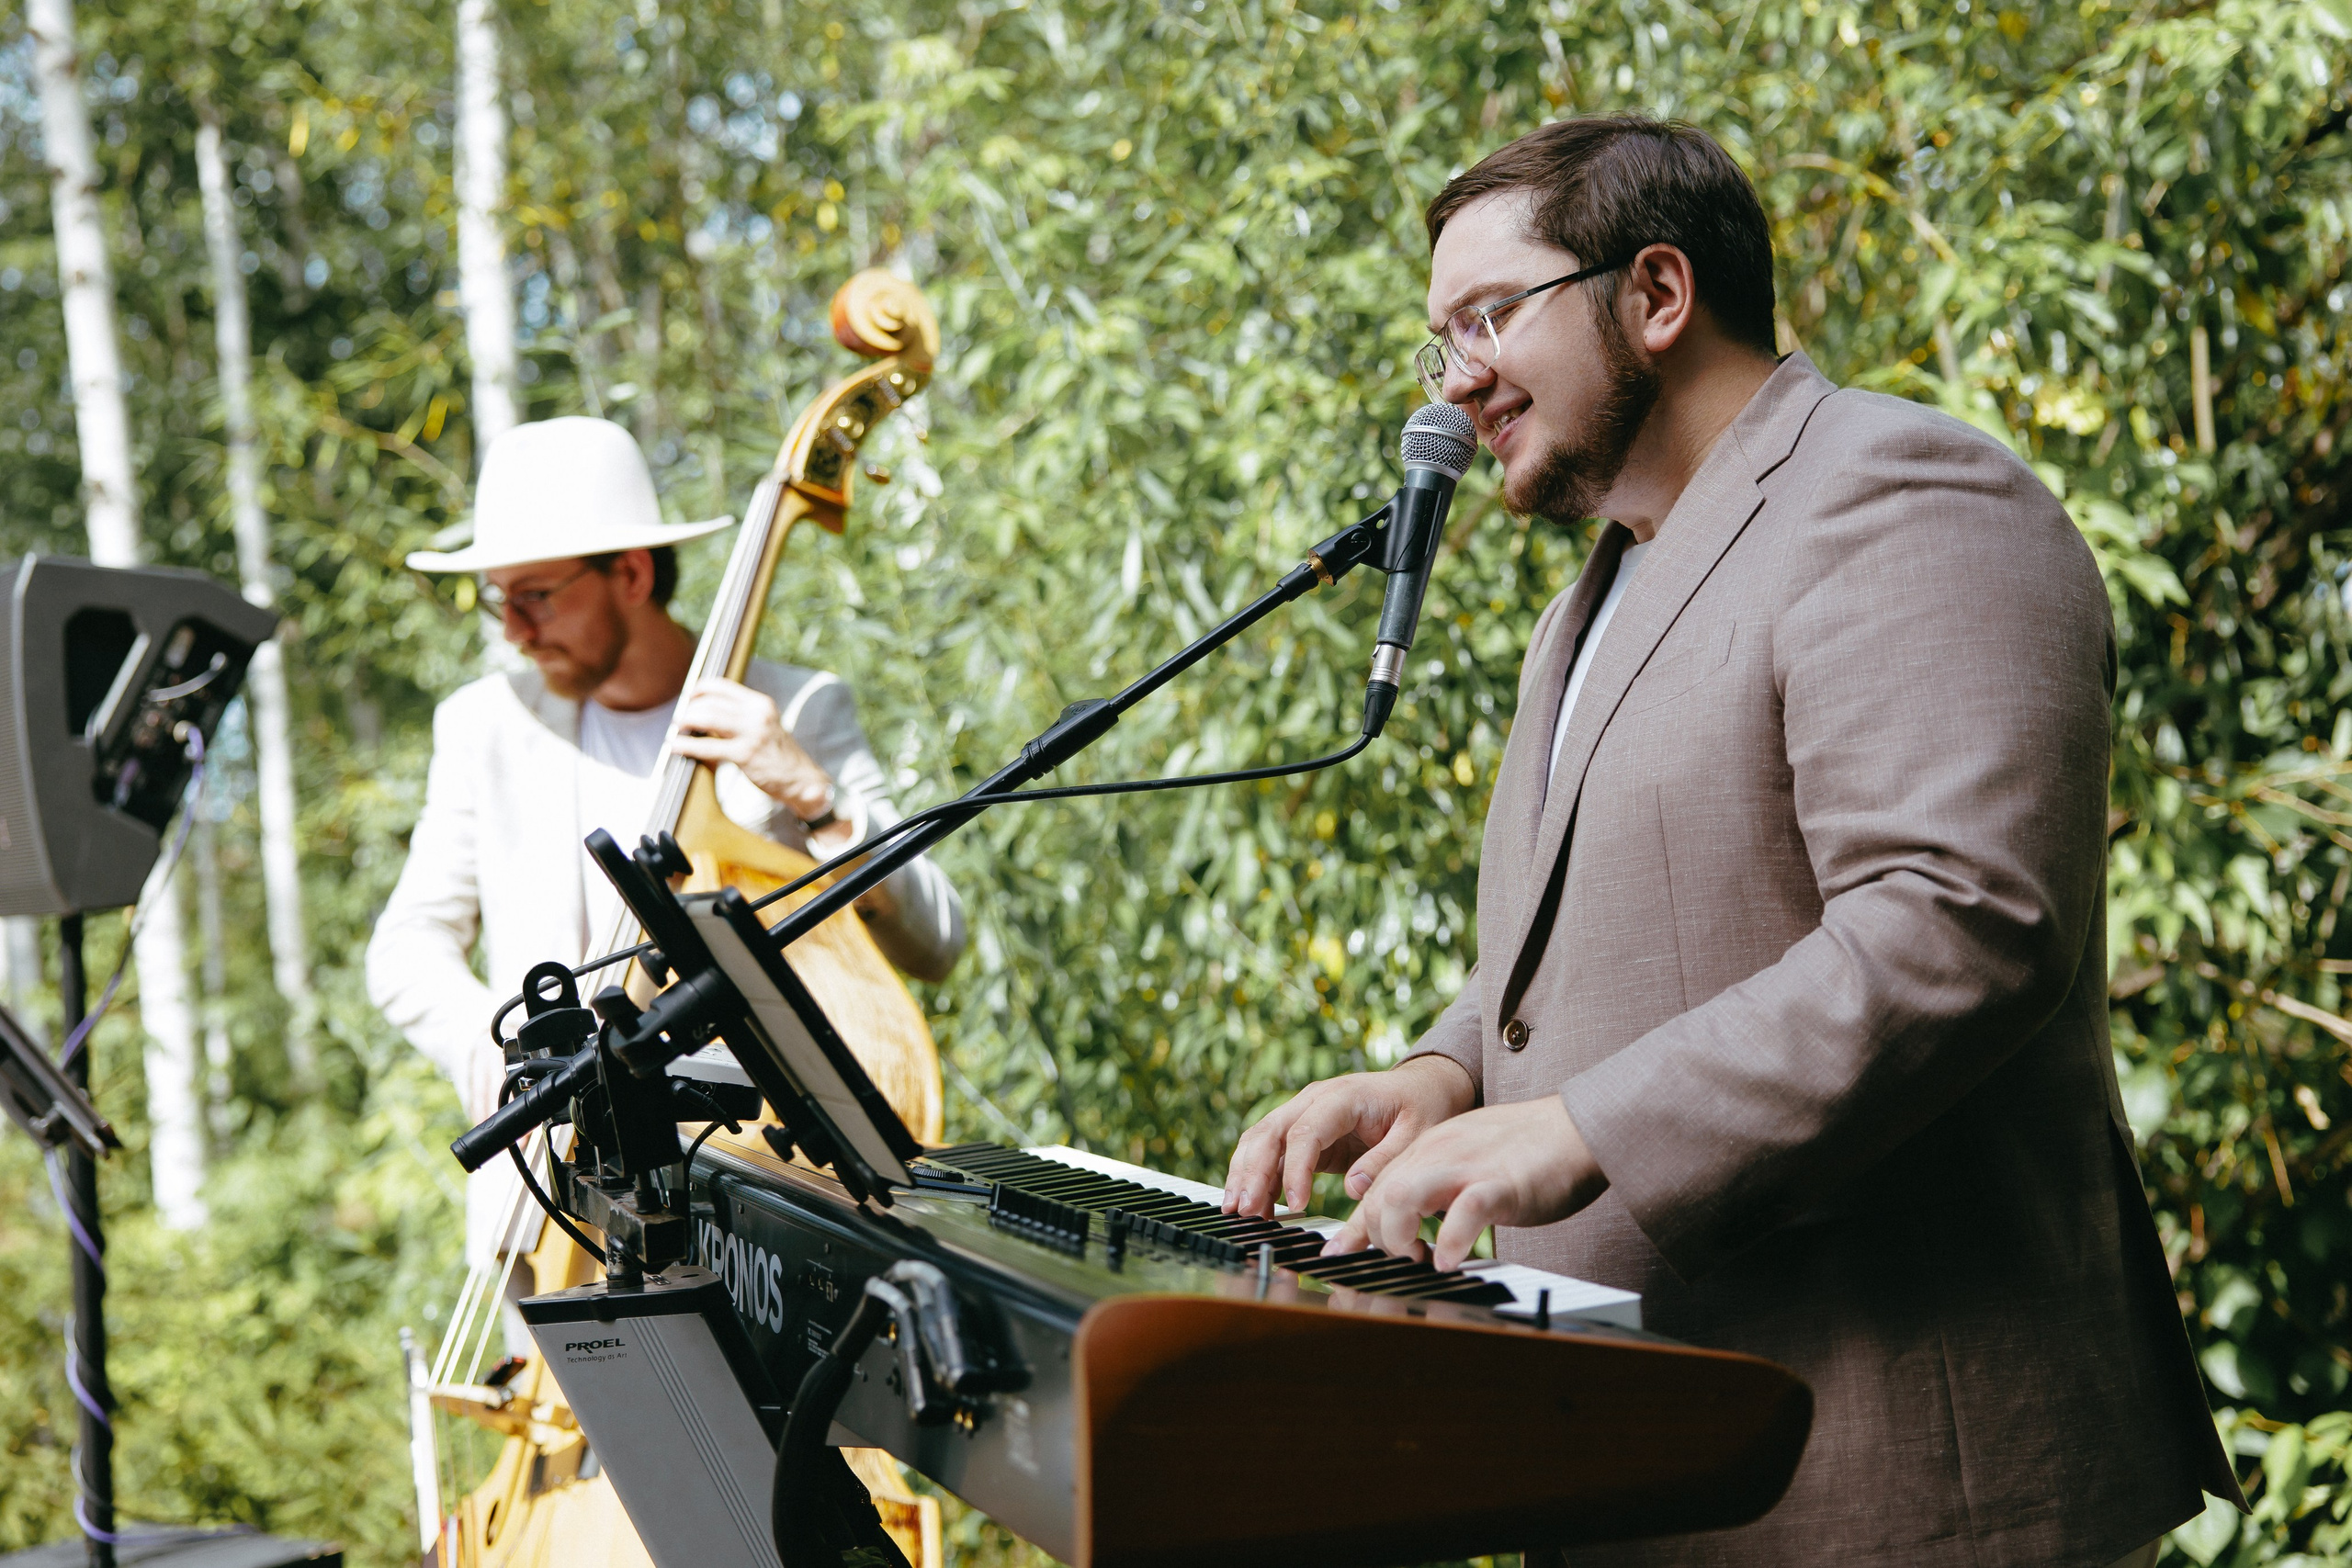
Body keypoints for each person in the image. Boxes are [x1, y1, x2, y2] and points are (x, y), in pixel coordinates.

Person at [1221, 116, 2236, 1566]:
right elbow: (1588, 944)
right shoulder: (1590, 602)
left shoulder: (1905, 494)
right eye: (1437, 340)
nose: (1454, 385)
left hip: (1894, 1480)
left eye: (1489, 318)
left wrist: (1587, 1127)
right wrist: (1441, 1073)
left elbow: (1961, 920)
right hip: (1641, 1462)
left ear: (1656, 293)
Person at [368, 415, 965, 1267]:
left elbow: (937, 941)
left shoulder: (795, 710)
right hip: (549, 1207)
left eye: (534, 595)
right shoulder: (483, 728)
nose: (513, 629)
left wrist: (815, 797)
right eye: (500, 598)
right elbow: (405, 947)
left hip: (750, 1192)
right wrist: (503, 1057)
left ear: (634, 574)